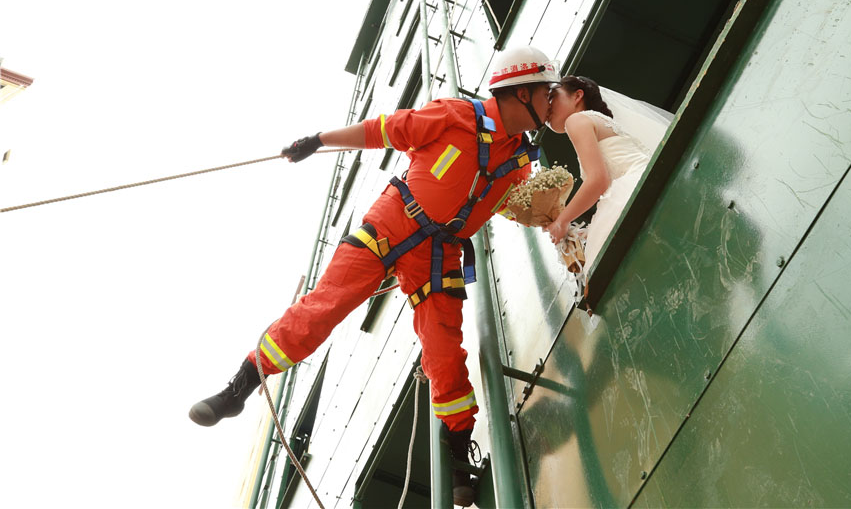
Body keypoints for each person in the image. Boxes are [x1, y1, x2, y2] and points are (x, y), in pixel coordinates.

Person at [189, 45, 559, 507]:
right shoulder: (454, 115)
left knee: (444, 353)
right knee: (322, 307)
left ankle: (459, 453)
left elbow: (512, 206)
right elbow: (384, 129)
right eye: (546, 91)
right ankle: (238, 389)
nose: (551, 100)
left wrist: (555, 217)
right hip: (391, 224)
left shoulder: (519, 162)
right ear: (522, 92)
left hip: (438, 253)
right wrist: (318, 140)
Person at [543, 76, 651, 270]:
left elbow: (598, 180)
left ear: (577, 96)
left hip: (632, 188)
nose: (546, 107)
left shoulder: (576, 120)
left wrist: (561, 221)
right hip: (643, 181)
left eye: (552, 97)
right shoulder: (599, 121)